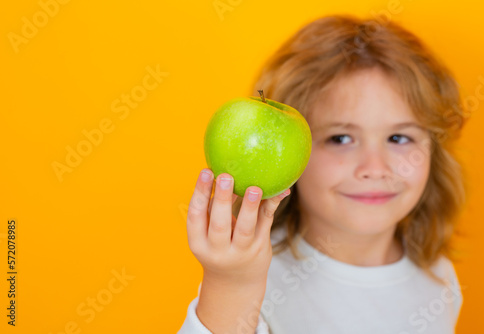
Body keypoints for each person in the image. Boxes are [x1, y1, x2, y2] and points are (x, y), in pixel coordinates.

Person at [178, 14, 469, 334]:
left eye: (399, 138)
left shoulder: (438, 278)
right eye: (340, 139)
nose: (374, 168)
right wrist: (231, 285)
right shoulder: (257, 280)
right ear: (290, 155)